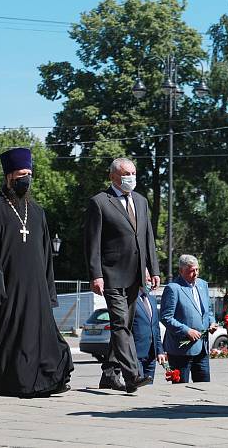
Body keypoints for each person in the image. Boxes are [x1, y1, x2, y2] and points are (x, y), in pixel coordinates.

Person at [0, 147, 73, 397]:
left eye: (29, 173)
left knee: (42, 339)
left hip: (36, 290)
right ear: (9, 176)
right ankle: (14, 384)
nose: (26, 179)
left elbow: (46, 256)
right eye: (21, 174)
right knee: (14, 341)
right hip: (7, 290)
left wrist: (47, 290)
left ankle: (44, 381)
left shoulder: (38, 212)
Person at [85, 157, 160, 393]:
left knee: (124, 325)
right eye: (126, 173)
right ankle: (132, 375)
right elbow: (92, 242)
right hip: (111, 274)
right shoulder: (99, 202)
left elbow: (147, 238)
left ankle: (109, 373)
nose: (131, 178)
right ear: (113, 176)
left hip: (135, 275)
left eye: (134, 173)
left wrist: (153, 268)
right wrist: (95, 274)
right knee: (120, 325)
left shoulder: (140, 201)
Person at [160, 254, 218, 382]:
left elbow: (207, 311)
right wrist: (186, 330)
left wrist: (212, 322)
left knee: (204, 387)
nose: (195, 273)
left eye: (197, 269)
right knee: (181, 389)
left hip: (202, 347)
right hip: (181, 350)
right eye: (191, 271)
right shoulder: (173, 288)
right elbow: (166, 317)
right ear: (181, 271)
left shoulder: (203, 285)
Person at [132, 287, 167, 381]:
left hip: (151, 354)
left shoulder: (152, 299)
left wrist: (160, 351)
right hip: (136, 353)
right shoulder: (130, 300)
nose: (149, 281)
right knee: (139, 385)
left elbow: (156, 327)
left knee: (149, 386)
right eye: (147, 277)